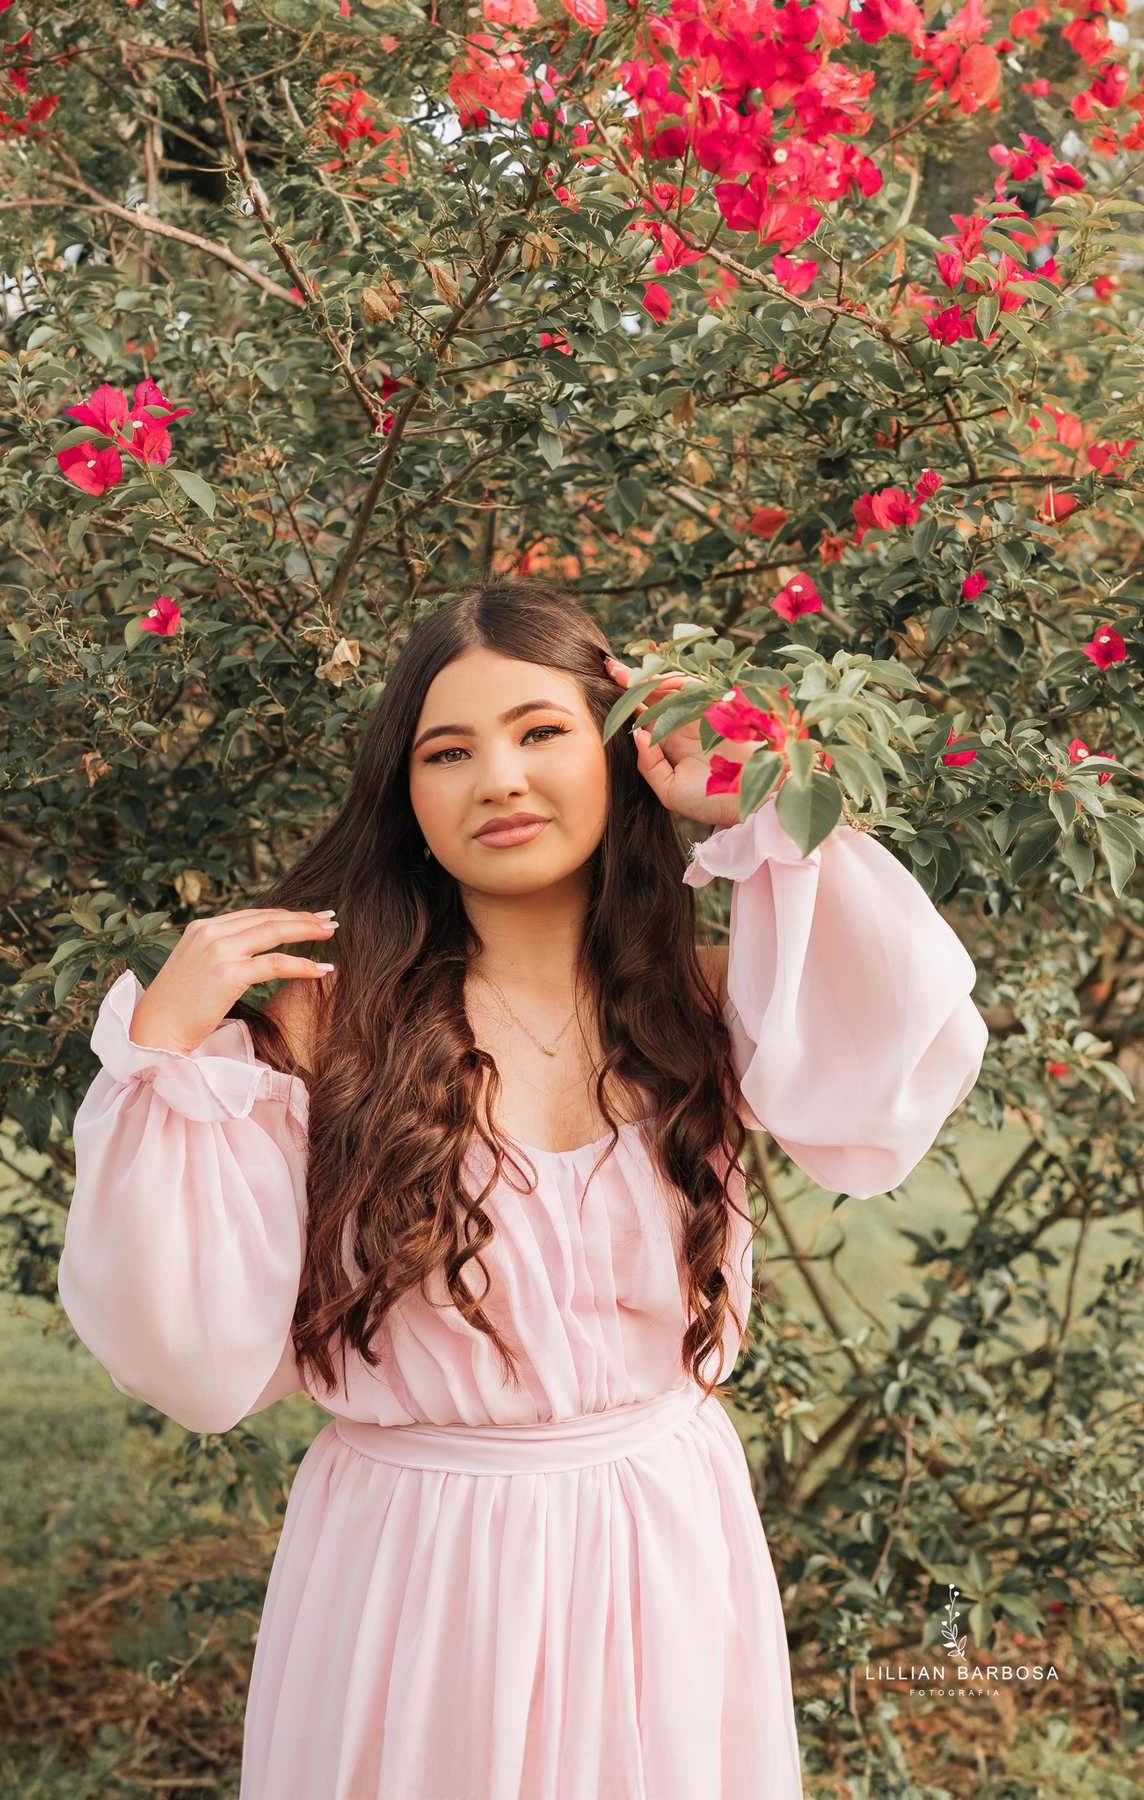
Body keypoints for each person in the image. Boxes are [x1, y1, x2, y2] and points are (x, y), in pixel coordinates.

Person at [58, 578, 987, 1800]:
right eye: (448, 752)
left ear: (619, 755)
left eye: (541, 731)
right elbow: (185, 1355)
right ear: (407, 797)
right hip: (416, 1565)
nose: (498, 778)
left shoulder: (700, 1006)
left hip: (666, 1541)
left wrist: (768, 802)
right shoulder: (323, 1034)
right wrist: (162, 1055)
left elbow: (883, 1088)